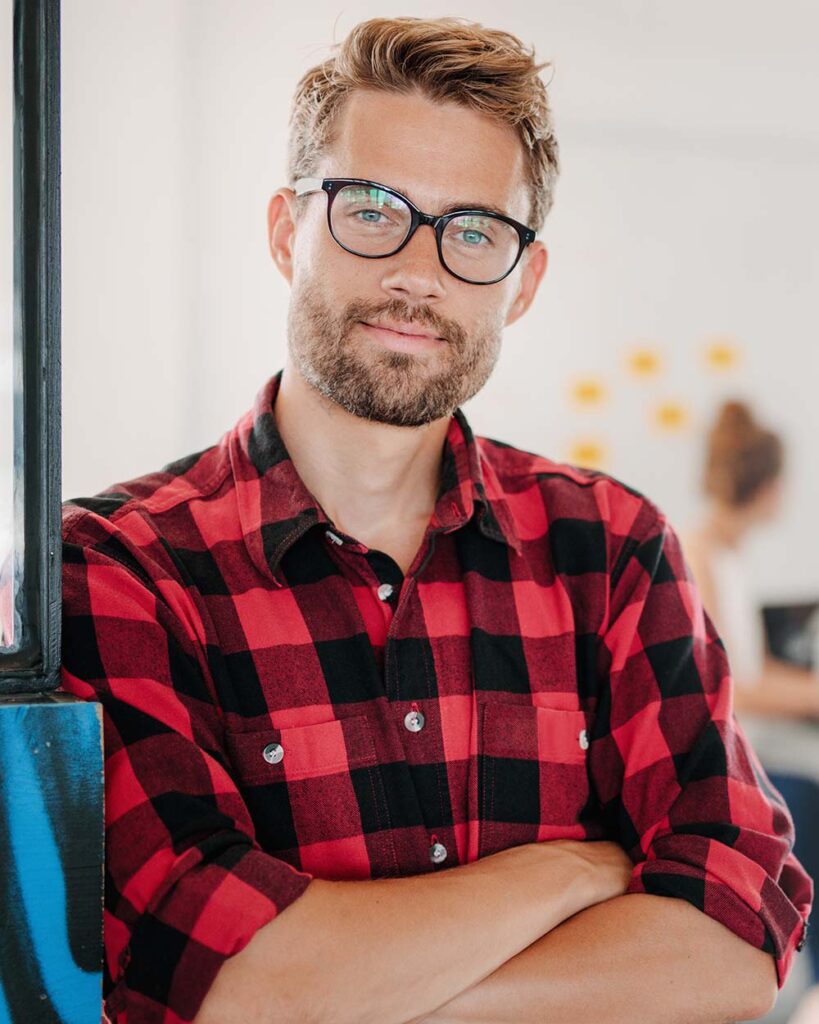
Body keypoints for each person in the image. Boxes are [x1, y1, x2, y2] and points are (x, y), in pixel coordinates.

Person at [59, 17, 811, 1024]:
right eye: (372, 210)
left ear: (523, 281)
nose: (419, 273)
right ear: (288, 231)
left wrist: (352, 990)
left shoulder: (612, 547)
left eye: (474, 231)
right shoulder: (117, 568)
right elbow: (224, 982)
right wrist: (568, 873)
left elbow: (735, 944)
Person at [684, 400, 819, 1006]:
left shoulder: (729, 552)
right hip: (739, 764)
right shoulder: (702, 549)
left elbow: (757, 667)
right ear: (766, 485)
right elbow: (733, 683)